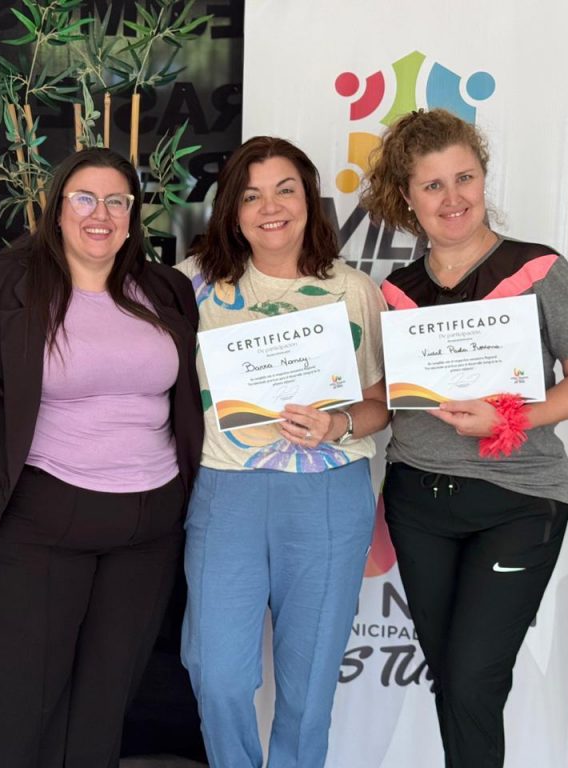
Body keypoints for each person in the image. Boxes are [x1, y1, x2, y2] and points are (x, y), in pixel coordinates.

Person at [0, 147, 203, 768]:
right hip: (31, 530)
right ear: (54, 208)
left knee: (99, 728)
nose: (99, 213)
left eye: (116, 201)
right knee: (18, 725)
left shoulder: (169, 290)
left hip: (147, 534)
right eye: (83, 198)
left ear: (132, 215)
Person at [360, 108, 568, 767]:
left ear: (483, 176)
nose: (454, 198)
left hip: (519, 499)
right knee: (453, 675)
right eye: (433, 185)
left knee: (474, 676)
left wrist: (512, 417)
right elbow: (389, 399)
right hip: (418, 503)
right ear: (407, 197)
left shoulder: (538, 271)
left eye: (464, 177)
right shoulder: (395, 292)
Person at [175, 136, 389, 768]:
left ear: (309, 199)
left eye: (285, 189)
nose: (270, 207)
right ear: (232, 211)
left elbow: (381, 405)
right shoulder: (194, 289)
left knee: (309, 684)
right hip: (225, 491)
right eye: (251, 194)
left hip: (328, 496)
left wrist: (338, 423)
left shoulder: (353, 291)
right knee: (216, 674)